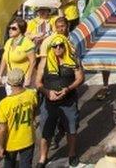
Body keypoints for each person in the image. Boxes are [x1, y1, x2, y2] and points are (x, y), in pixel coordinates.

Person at [34, 35, 84, 167]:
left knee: (71, 129)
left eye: (61, 45)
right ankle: (42, 157)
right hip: (49, 102)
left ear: (65, 46)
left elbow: (80, 78)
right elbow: (38, 82)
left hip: (68, 101)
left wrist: (68, 89)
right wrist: (47, 92)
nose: (58, 48)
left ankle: (72, 154)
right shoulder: (44, 62)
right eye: (54, 46)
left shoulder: (73, 60)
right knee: (45, 131)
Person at [0, 68, 38, 168]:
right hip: (28, 138)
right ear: (23, 80)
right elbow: (34, 110)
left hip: (11, 142)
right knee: (26, 164)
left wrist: (1, 146)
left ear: (9, 83)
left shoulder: (4, 103)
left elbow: (2, 129)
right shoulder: (31, 94)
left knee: (9, 164)